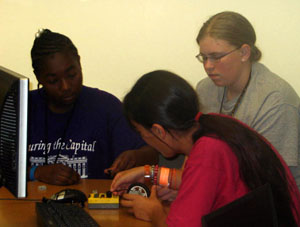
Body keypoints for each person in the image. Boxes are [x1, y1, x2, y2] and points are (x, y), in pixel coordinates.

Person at [110, 70, 300, 226]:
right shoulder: (217, 125)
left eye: (142, 133)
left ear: (159, 131)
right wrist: (150, 173)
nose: (144, 139)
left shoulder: (207, 151)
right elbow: (191, 179)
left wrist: (153, 213)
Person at [28, 29, 158, 186]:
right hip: (30, 203)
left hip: (94, 206)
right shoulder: (22, 110)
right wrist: (37, 172)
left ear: (79, 62)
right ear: (37, 76)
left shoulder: (106, 106)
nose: (66, 86)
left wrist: (135, 157)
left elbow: (152, 154)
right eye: (53, 80)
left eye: (72, 75)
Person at [195, 11, 300, 189]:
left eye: (216, 57)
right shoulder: (204, 89)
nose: (208, 66)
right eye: (204, 57)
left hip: (271, 198)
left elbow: (268, 177)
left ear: (244, 52)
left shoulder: (276, 100)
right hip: (221, 187)